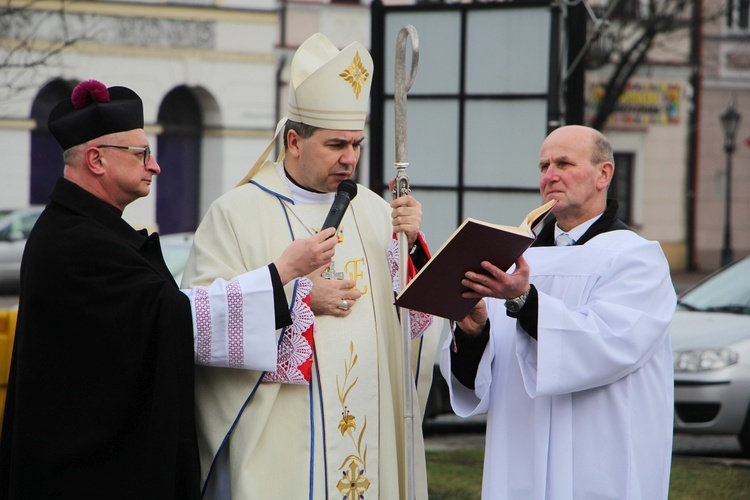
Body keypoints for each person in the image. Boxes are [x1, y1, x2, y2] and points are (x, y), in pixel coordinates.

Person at [0, 80, 338, 499]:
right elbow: (174, 320)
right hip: (86, 475)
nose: (155, 166)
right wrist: (283, 273)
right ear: (96, 160)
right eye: (141, 153)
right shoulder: (74, 242)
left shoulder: (92, 231)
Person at [182, 33, 441, 499]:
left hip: (371, 435)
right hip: (285, 450)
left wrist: (412, 247)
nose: (351, 159)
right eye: (337, 144)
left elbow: (416, 326)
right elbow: (201, 326)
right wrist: (297, 301)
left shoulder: (377, 211)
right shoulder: (236, 213)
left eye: (357, 145)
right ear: (294, 141)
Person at [442, 125, 676, 499]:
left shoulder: (635, 258)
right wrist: (474, 334)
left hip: (599, 459)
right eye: (543, 165)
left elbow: (608, 345)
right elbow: (484, 378)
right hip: (519, 453)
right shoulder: (514, 258)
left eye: (564, 163)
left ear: (604, 174)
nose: (550, 175)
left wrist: (523, 302)